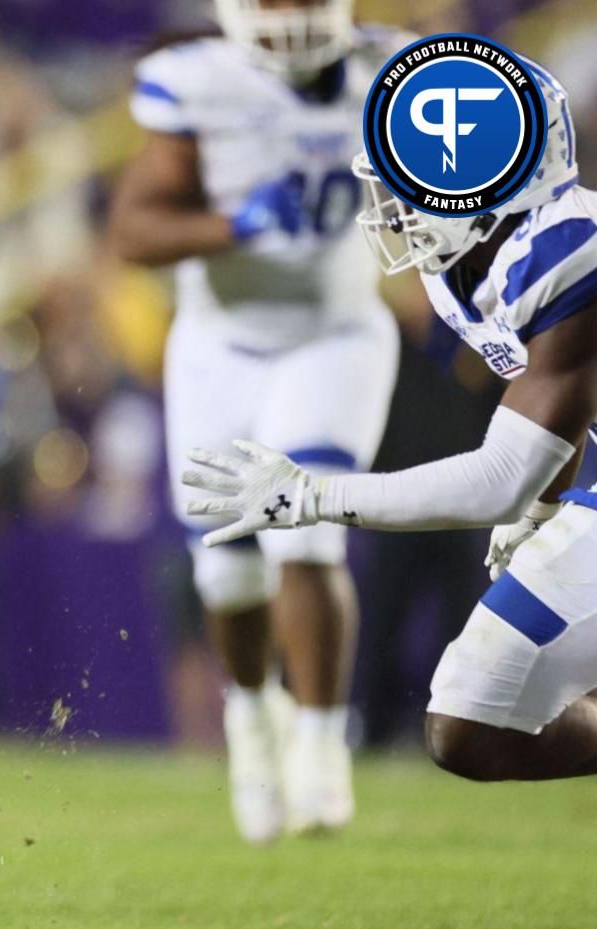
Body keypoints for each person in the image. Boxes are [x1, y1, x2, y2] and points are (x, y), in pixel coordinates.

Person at [182, 61, 597, 782]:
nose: (395, 203)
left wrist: (313, 496)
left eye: (413, 179)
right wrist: (541, 510)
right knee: (473, 720)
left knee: (474, 715)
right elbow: (558, 403)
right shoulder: (485, 261)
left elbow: (499, 475)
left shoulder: (567, 253)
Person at [107, 0, 405, 843]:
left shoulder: (400, 71)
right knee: (227, 575)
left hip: (335, 334)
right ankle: (251, 719)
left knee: (306, 533)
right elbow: (132, 229)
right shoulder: (196, 81)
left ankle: (320, 744)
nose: (293, 15)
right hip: (220, 347)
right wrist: (232, 223)